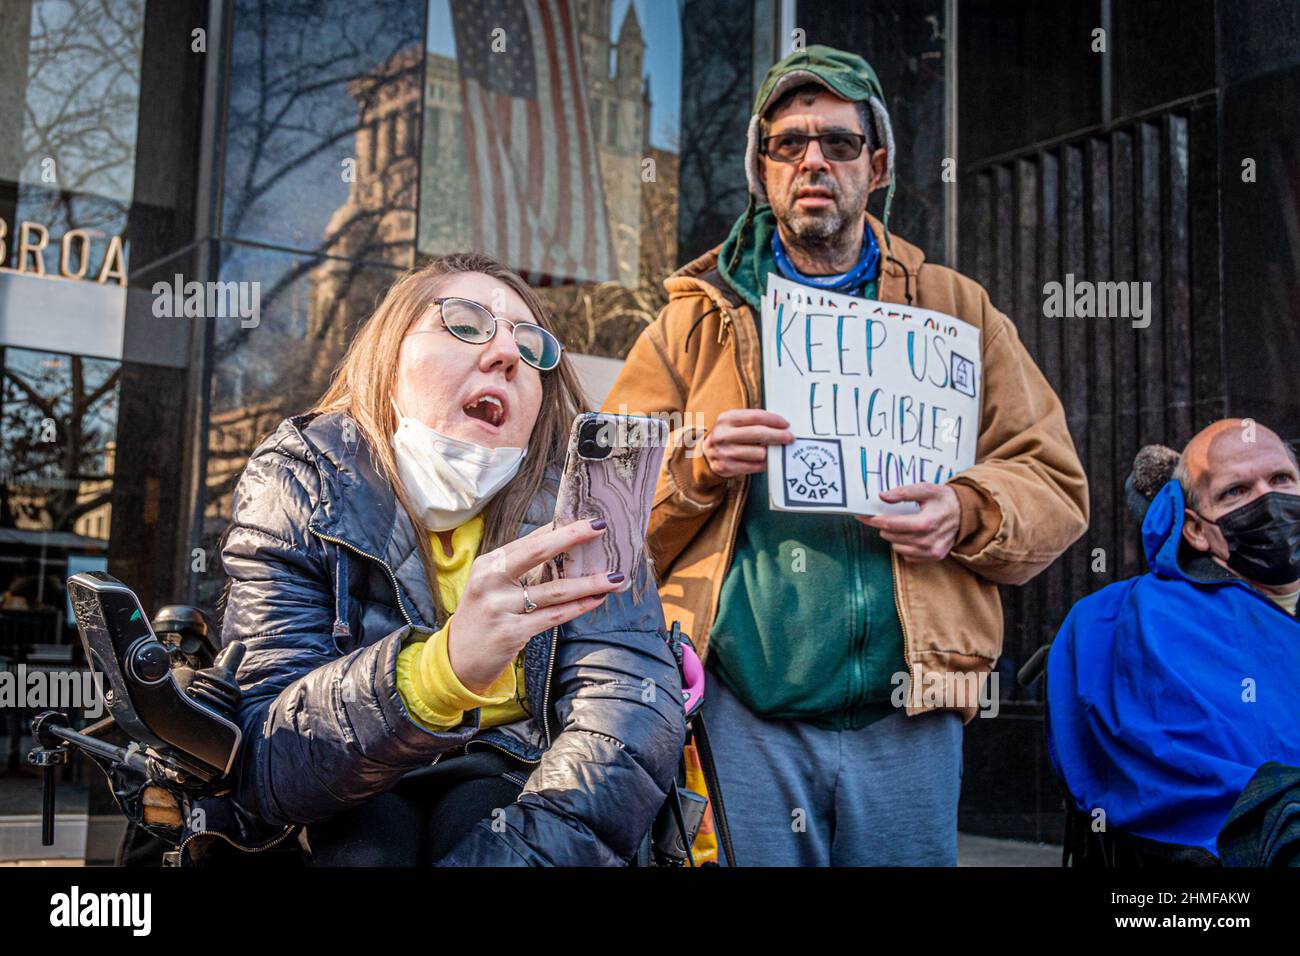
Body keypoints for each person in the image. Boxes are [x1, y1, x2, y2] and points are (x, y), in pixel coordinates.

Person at [602, 45, 1088, 866]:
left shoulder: (954, 307)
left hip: (910, 715)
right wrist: (696, 465)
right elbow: (604, 509)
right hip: (743, 711)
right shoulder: (695, 321)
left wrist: (966, 511)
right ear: (762, 168)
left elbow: (1054, 482)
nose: (813, 161)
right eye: (789, 144)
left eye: (838, 141)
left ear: (880, 163)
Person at [191, 252, 686, 866]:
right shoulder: (296, 482)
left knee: (480, 809)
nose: (507, 355)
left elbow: (625, 723)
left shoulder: (589, 506)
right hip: (352, 792)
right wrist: (443, 669)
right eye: (466, 324)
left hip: (522, 782)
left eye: (532, 347)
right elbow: (274, 762)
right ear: (390, 352)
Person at [1048, 420, 1300, 858]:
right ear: (1196, 530)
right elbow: (1187, 777)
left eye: (1281, 479)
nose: (1268, 499)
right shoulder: (1142, 619)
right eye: (1235, 491)